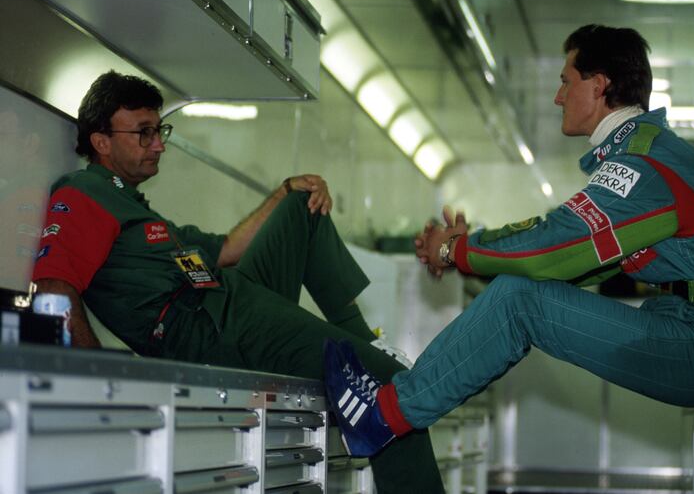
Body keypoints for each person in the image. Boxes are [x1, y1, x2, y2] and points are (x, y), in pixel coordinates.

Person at [323, 24, 694, 458]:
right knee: (525, 291)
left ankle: (381, 418)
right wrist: (471, 249)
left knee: (520, 299)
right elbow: (570, 251)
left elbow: (553, 244)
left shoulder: (645, 164)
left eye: (565, 82)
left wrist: (454, 250)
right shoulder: (651, 154)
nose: (557, 97)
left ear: (599, 85)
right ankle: (393, 403)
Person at [32, 71, 444, 493]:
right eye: (144, 133)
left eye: (159, 131)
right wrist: (97, 378)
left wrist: (286, 190)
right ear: (101, 141)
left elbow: (228, 248)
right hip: (208, 327)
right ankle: (369, 359)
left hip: (229, 303)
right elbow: (53, 287)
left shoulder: (140, 212)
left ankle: (364, 340)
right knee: (394, 389)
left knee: (301, 202)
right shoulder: (83, 192)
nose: (158, 144)